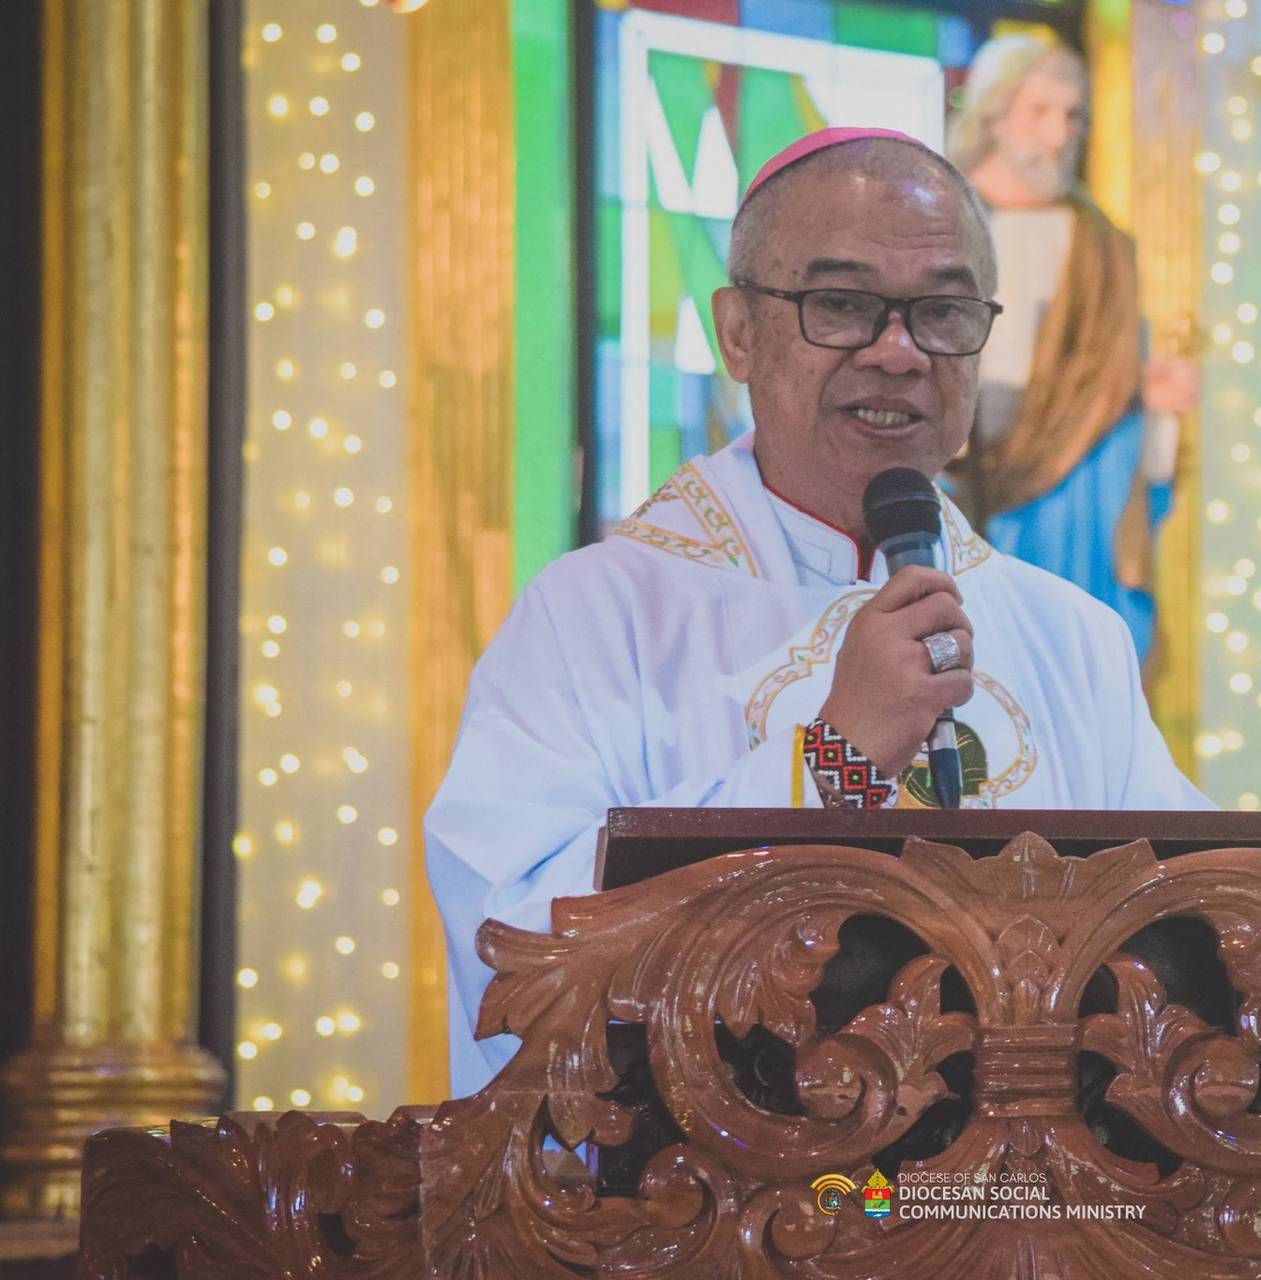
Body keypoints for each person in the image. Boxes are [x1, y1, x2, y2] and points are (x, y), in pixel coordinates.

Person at [425, 128, 1212, 1094]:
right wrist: (830, 758)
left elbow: (1199, 929)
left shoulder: (1069, 634)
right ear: (739, 332)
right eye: (841, 305)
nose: (900, 351)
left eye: (944, 311)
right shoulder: (596, 614)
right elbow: (511, 940)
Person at [946, 36, 1198, 660]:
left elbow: (1106, 380)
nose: (1060, 135)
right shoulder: (943, 218)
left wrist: (1149, 396)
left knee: (1077, 653)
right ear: (993, 113)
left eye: (1074, 114)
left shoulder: (1101, 245)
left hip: (1072, 495)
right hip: (954, 477)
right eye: (1039, 111)